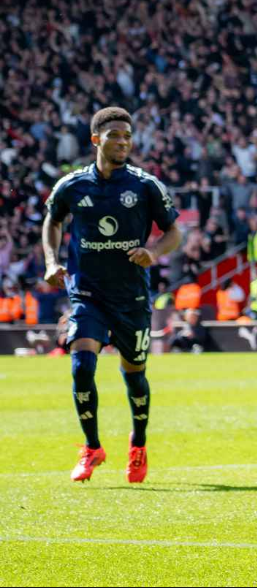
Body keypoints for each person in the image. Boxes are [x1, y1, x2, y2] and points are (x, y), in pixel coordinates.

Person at [42, 107, 183, 483]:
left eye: (127, 136)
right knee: (81, 365)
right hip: (87, 293)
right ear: (96, 140)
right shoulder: (72, 186)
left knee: (134, 375)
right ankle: (92, 447)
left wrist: (153, 252)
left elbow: (174, 232)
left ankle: (138, 444)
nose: (122, 142)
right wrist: (52, 261)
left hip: (132, 298)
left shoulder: (145, 185)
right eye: (115, 135)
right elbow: (52, 221)